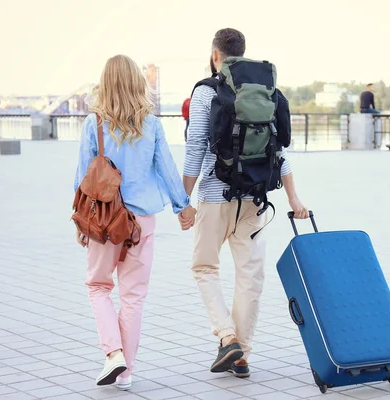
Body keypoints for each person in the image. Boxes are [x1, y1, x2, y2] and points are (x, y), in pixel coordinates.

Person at [183, 28, 309, 379]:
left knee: (205, 268)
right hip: (255, 196)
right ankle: (242, 355)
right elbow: (281, 150)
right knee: (250, 276)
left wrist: (182, 199)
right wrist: (294, 197)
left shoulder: (206, 92)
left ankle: (227, 337)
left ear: (215, 55)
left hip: (213, 195)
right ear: (242, 53)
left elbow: (195, 148)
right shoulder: (268, 90)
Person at [73, 54, 196, 391]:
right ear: (137, 83)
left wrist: (81, 223)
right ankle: (126, 373)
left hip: (103, 219)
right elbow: (168, 169)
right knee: (134, 296)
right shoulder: (152, 124)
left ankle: (113, 354)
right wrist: (183, 207)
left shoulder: (93, 123)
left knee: (98, 286)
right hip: (142, 220)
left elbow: (82, 178)